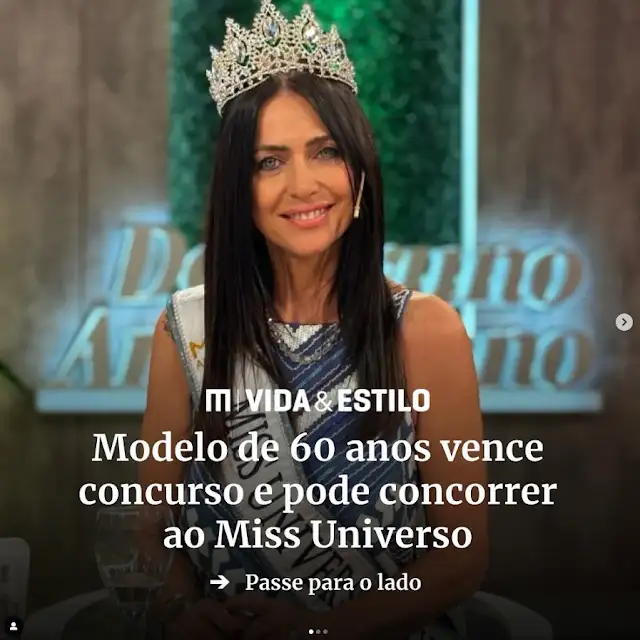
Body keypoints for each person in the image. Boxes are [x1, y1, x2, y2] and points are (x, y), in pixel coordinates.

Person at [140, 0, 487, 637]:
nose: (303, 185)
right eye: (269, 162)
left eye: (325, 152)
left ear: (359, 172)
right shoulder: (187, 332)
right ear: (238, 190)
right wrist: (181, 614)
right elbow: (150, 534)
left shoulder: (425, 331)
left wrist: (320, 631)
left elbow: (460, 560)